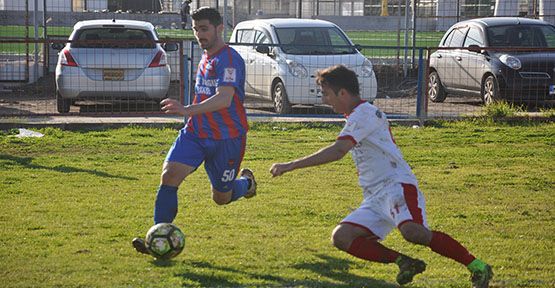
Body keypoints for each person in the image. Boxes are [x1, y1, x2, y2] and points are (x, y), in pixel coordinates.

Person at [269, 65, 493, 288]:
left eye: (327, 94)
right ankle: (405, 262)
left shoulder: (364, 114)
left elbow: (338, 151)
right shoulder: (356, 116)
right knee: (342, 236)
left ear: (343, 93)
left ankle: (477, 266)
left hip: (396, 186)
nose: (325, 100)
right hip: (375, 195)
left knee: (413, 232)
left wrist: (290, 166)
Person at [132, 7, 255, 255]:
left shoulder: (229, 60)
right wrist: (190, 115)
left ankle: (247, 184)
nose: (199, 34)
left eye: (204, 29)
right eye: (196, 29)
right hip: (196, 132)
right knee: (170, 175)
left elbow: (224, 100)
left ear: (220, 28)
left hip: (227, 138)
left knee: (221, 197)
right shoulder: (205, 56)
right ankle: (158, 237)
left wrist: (186, 109)